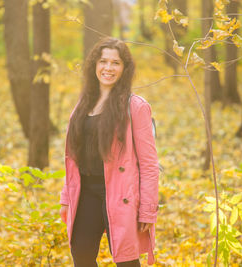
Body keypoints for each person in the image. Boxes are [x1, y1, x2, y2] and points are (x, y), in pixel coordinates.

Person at [60, 37, 159, 267]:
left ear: (125, 69)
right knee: (82, 257)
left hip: (119, 193)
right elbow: (73, 158)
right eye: (103, 61)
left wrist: (147, 210)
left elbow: (149, 164)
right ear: (95, 65)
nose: (108, 68)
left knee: (126, 261)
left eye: (116, 63)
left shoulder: (135, 106)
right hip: (85, 193)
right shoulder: (83, 105)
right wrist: (66, 196)